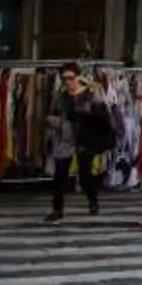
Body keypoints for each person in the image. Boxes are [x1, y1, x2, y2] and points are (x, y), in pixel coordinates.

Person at [46, 66, 117, 221]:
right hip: (65, 138)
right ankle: (57, 209)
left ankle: (93, 201)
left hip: (85, 139)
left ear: (78, 77)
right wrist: (53, 121)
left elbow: (104, 115)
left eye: (70, 78)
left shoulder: (91, 94)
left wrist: (89, 110)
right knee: (60, 175)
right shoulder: (61, 96)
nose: (68, 82)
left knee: (85, 176)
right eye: (64, 79)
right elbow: (52, 113)